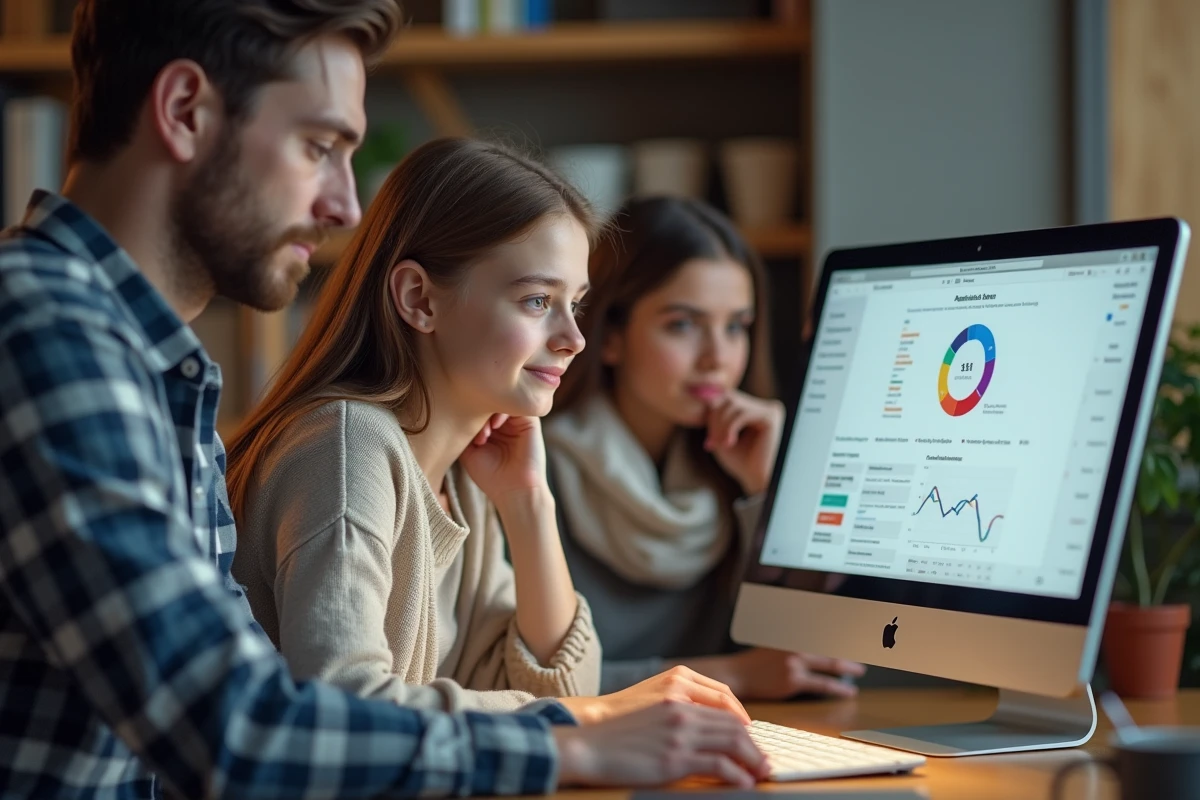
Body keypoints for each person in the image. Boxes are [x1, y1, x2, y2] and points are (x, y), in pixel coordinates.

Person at [0, 4, 768, 797]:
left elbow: (252, 696)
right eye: (319, 147)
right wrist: (577, 734)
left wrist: (529, 514)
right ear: (186, 111)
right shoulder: (45, 331)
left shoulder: (149, 366)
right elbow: (241, 725)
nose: (345, 206)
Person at [224, 137, 754, 727]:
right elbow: (345, 706)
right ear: (418, 298)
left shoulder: (466, 475)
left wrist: (528, 504)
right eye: (536, 300)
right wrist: (597, 712)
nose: (573, 339)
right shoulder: (347, 444)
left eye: (575, 305)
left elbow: (558, 686)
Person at [546, 196, 866, 699]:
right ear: (609, 336)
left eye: (736, 326)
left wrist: (770, 490)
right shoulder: (527, 468)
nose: (719, 358)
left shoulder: (731, 465)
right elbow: (513, 681)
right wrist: (733, 675)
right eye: (683, 324)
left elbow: (812, 653)